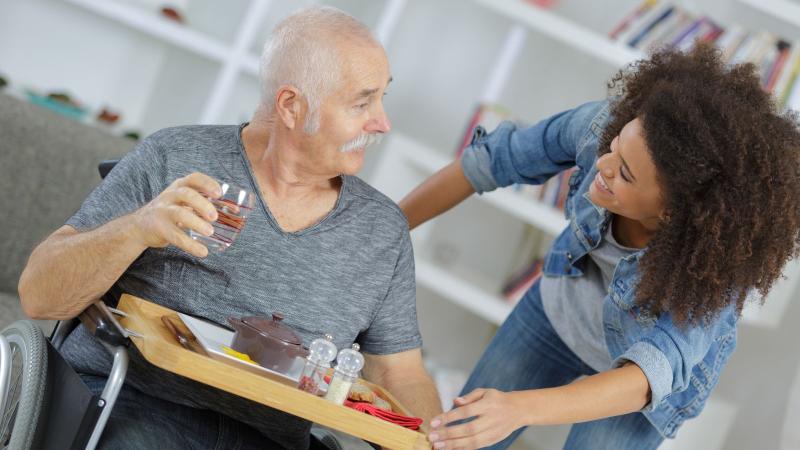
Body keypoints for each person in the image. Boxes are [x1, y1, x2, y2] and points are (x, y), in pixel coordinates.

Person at [18, 6, 441, 449]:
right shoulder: (174, 157)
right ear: (292, 106)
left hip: (267, 439)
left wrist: (439, 437)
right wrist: (138, 229)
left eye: (381, 98)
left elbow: (399, 373)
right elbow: (38, 295)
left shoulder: (382, 231)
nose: (382, 123)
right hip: (134, 402)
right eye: (362, 102)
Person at [399, 44, 800, 449]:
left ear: (672, 215)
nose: (603, 165)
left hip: (637, 388)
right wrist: (386, 229)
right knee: (461, 439)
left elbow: (645, 378)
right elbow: (487, 162)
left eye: (624, 174)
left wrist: (519, 408)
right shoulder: (608, 129)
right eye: (615, 147)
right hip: (559, 313)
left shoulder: (709, 277)